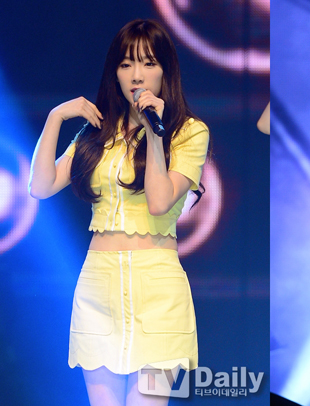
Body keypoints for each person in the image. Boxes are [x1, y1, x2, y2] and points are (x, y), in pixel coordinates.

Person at [28, 19, 209, 405]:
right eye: (126, 64)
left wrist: (155, 134)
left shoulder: (189, 132)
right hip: (99, 287)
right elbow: (40, 186)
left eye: (148, 63)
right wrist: (55, 117)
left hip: (158, 290)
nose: (137, 75)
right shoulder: (97, 133)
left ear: (165, 70)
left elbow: (159, 202)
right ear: (115, 72)